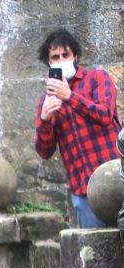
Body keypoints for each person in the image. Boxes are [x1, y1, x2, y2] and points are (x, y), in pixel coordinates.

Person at [33, 28, 120, 228]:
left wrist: (70, 96)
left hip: (117, 179)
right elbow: (44, 151)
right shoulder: (46, 101)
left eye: (66, 55)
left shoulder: (97, 78)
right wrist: (45, 120)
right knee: (94, 246)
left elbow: (104, 115)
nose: (61, 60)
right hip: (83, 189)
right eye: (55, 57)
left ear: (76, 57)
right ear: (49, 63)